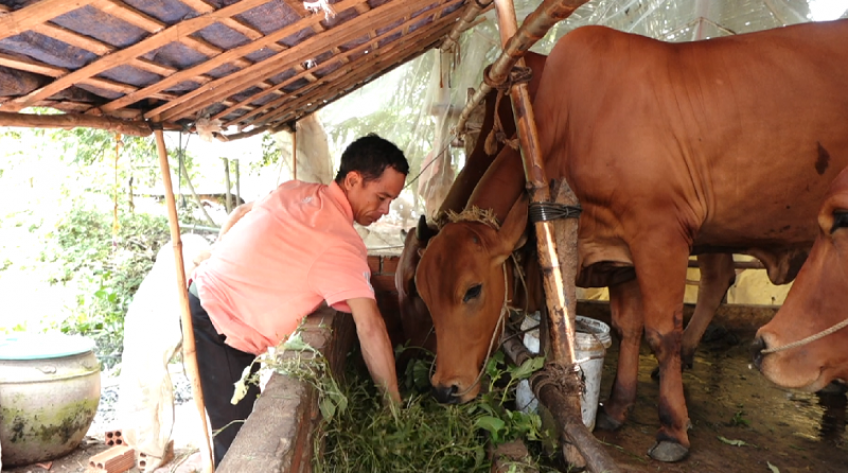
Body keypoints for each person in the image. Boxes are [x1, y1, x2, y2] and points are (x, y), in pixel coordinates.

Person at [188, 133, 408, 465]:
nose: (385, 210)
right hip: (219, 324)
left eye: (391, 200)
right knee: (240, 446)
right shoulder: (340, 243)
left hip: (207, 299)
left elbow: (245, 213)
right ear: (352, 180)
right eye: (381, 197)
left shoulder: (295, 190)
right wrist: (393, 409)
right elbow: (371, 327)